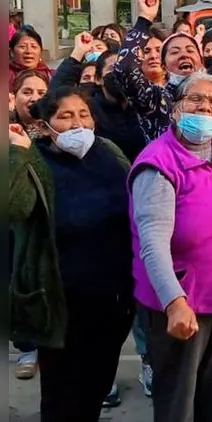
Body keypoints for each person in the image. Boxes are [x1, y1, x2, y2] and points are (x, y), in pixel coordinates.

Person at [128, 71, 212, 422]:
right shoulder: (158, 163)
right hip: (182, 302)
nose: (206, 108)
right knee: (178, 405)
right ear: (175, 108)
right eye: (195, 99)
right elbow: (151, 243)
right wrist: (174, 303)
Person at [9, 87, 135, 422]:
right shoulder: (34, 159)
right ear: (45, 125)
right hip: (58, 300)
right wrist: (18, 154)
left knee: (95, 386)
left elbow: (136, 197)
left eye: (83, 114)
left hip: (112, 296)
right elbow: (14, 207)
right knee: (61, 393)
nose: (77, 123)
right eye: (65, 116)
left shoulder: (107, 151)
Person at [115, 0, 206, 141]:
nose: (184, 55)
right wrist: (144, 19)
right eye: (174, 52)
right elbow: (125, 69)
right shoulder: (157, 97)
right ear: (164, 65)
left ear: (201, 60)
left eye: (190, 50)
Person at [10, 70, 51, 139]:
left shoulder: (56, 127)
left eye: (41, 93)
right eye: (27, 92)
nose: (35, 98)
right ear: (14, 97)